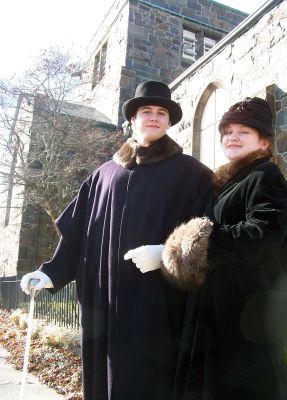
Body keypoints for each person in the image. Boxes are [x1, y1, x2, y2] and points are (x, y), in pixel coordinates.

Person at [20, 80, 214, 400]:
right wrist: (50, 272)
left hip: (157, 306)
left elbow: (210, 230)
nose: (154, 117)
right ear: (132, 120)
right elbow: (78, 235)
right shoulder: (103, 175)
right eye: (146, 111)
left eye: (161, 112)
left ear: (169, 121)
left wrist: (169, 252)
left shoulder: (193, 174)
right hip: (104, 304)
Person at [127, 97, 287, 399]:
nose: (232, 137)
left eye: (244, 132)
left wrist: (179, 249)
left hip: (246, 320)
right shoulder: (230, 181)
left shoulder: (264, 176)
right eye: (227, 131)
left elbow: (262, 233)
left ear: (264, 143)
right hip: (219, 317)